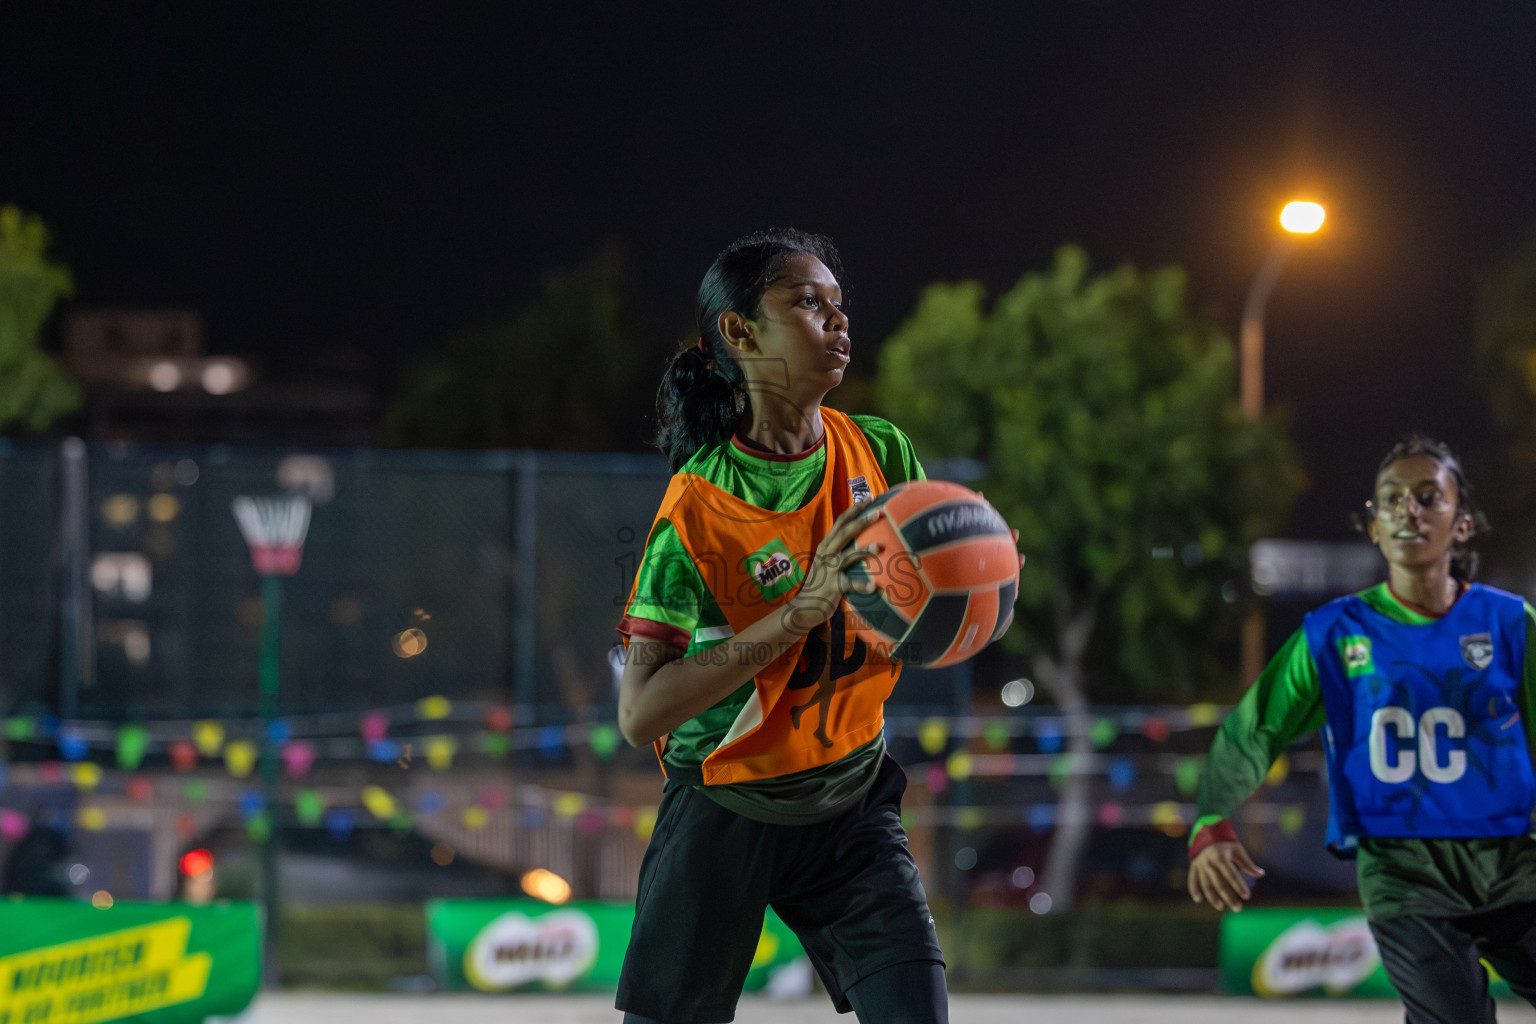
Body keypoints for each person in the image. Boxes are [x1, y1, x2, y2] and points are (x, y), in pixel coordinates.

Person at [615, 229, 973, 1024]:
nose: (838, 322)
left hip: (851, 799)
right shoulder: (697, 510)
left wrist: (973, 579)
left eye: (840, 305)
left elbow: (923, 615)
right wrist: (799, 612)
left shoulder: (880, 451)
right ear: (740, 332)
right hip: (727, 808)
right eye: (808, 302)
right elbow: (640, 713)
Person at [1187, 436, 1536, 1022]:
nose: (1409, 510)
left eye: (1429, 497)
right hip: (1403, 871)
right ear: (1373, 528)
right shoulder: (1333, 634)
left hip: (1509, 861)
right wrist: (1210, 817)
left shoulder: (1508, 622)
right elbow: (1256, 730)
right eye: (1391, 499)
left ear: (1464, 524)